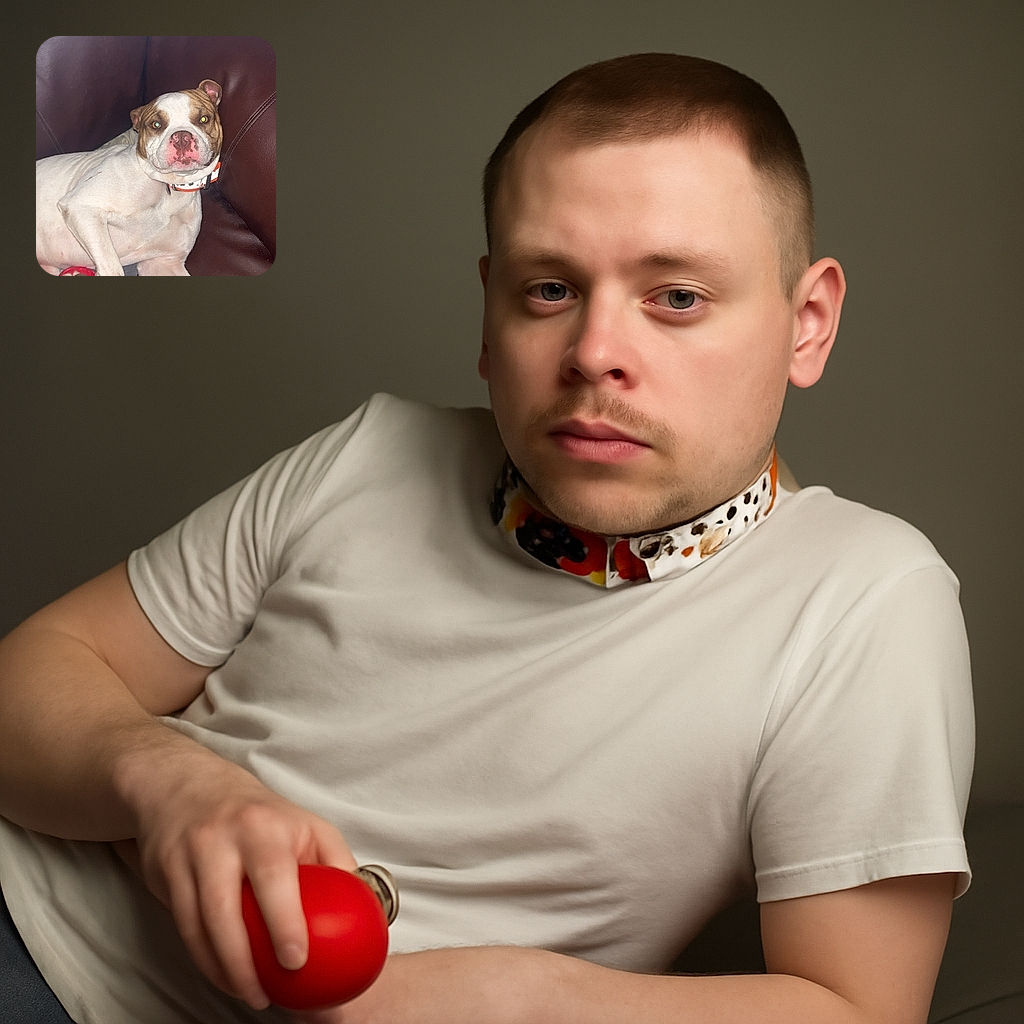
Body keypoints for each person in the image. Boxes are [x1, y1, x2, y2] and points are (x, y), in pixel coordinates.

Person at [0, 52, 973, 1024]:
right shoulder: (369, 452)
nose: (593, 350)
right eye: (548, 289)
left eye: (676, 296)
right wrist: (168, 782)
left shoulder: (862, 596)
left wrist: (531, 996)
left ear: (806, 324)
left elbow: (856, 1008)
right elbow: (38, 672)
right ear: (488, 308)